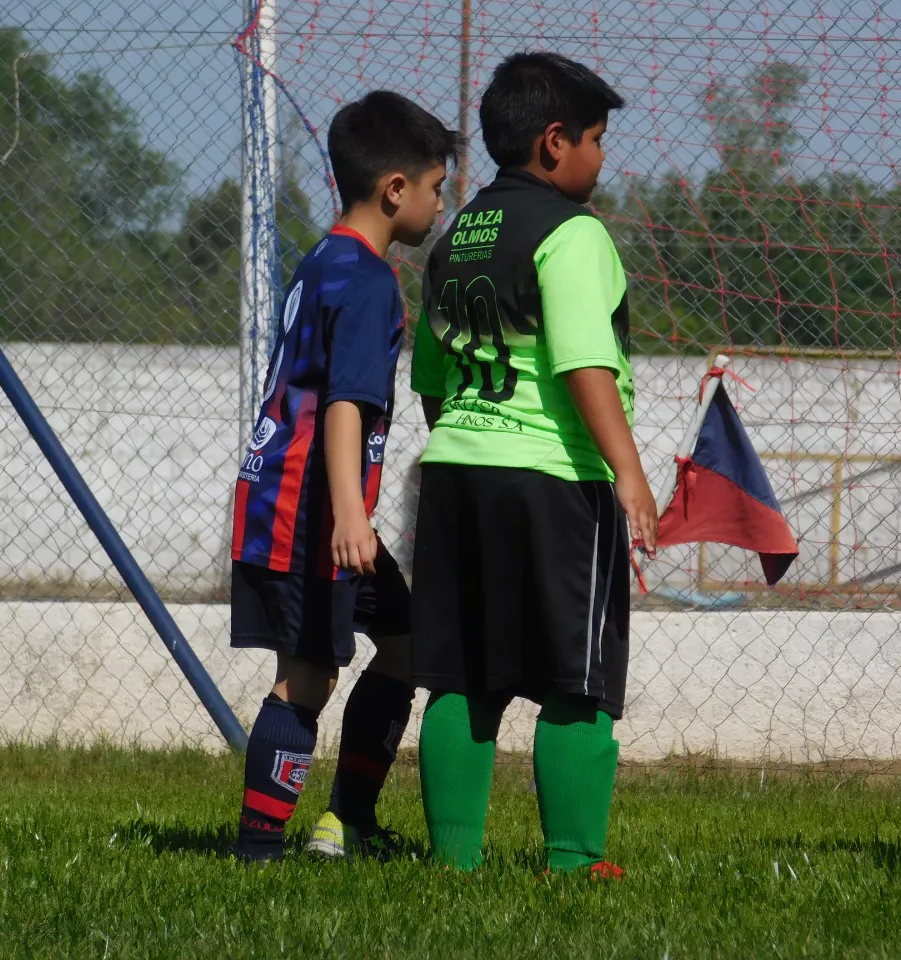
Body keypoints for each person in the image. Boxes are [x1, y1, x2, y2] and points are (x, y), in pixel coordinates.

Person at [409, 51, 656, 876]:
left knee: (461, 674)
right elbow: (584, 364)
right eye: (596, 137)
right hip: (553, 480)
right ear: (555, 143)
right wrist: (629, 472)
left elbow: (432, 383)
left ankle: (452, 861)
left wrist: (470, 442)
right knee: (576, 678)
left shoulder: (454, 238)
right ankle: (576, 858)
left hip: (454, 471)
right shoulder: (573, 233)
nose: (602, 154)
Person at [230, 91, 462, 862]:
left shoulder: (323, 259)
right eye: (436, 187)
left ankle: (349, 824)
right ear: (396, 189)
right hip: (315, 515)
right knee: (308, 675)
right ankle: (260, 850)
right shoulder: (366, 281)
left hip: (300, 503)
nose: (439, 204)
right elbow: (343, 408)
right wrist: (350, 520)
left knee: (402, 643)